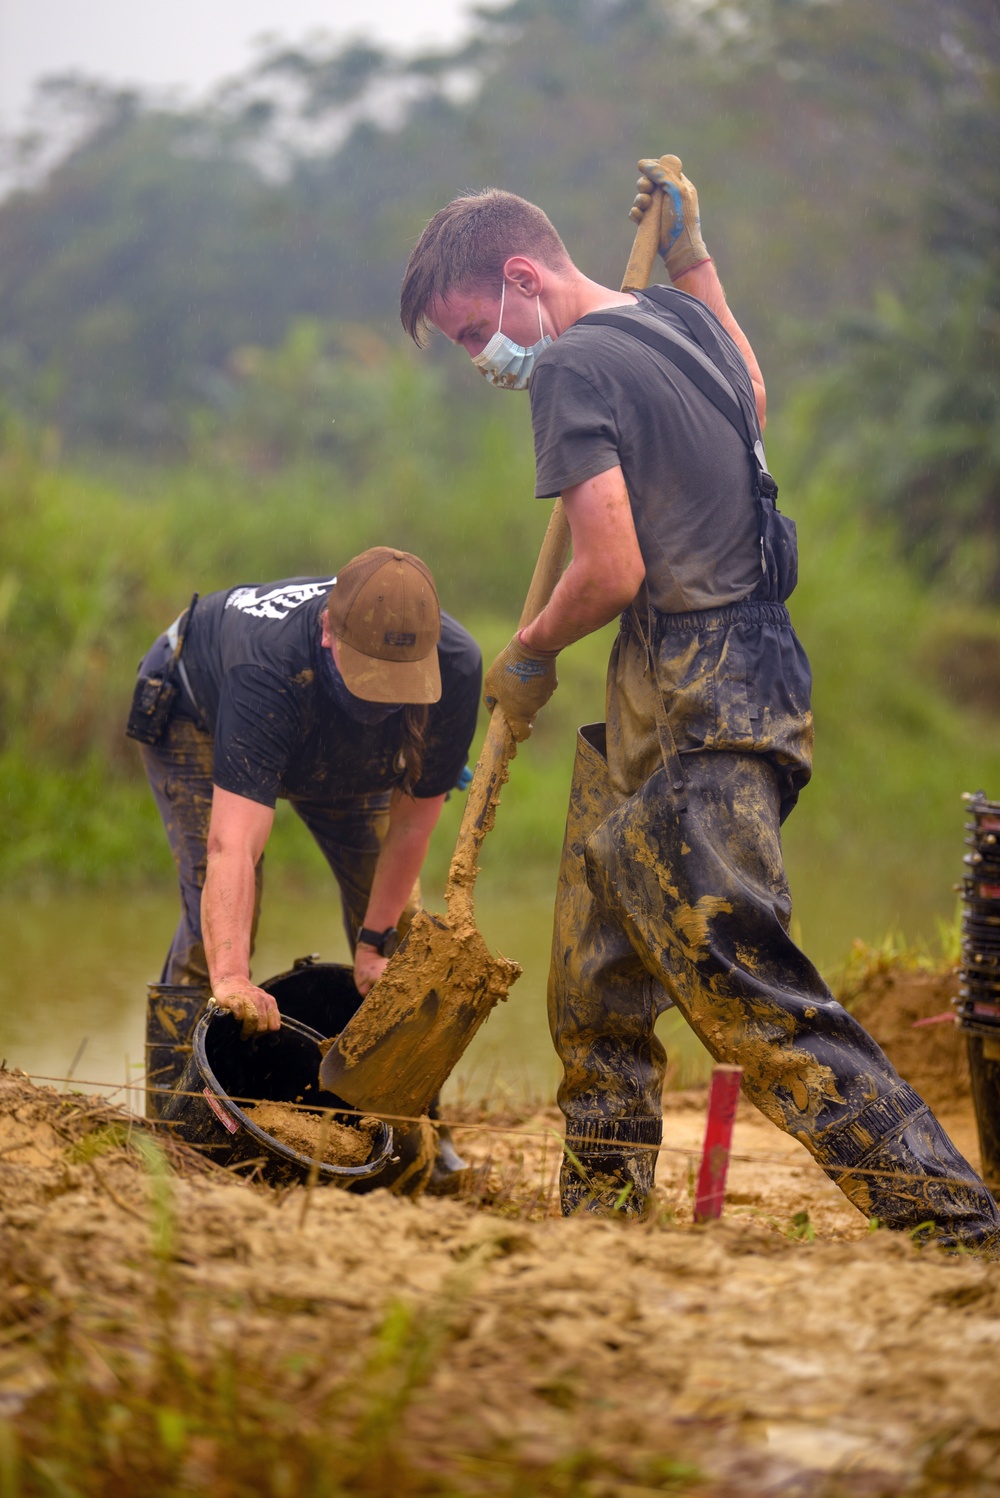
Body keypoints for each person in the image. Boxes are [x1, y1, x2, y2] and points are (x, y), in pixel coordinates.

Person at [398, 158, 1000, 1252]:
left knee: (744, 983)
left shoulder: (570, 369)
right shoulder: (676, 316)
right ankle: (604, 1223)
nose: (479, 355)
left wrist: (529, 650)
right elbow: (752, 396)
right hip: (687, 675)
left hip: (704, 685)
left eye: (470, 329)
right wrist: (692, 251)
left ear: (522, 277)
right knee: (595, 984)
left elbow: (612, 564)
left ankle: (957, 1223)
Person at [129, 547, 481, 1028]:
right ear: (327, 631)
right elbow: (231, 847)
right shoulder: (266, 668)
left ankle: (401, 1100)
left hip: (334, 737)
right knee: (211, 935)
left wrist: (372, 941)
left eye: (397, 683)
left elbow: (411, 827)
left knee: (401, 930)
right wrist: (231, 977)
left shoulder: (456, 667)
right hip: (199, 711)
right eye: (369, 676)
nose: (382, 696)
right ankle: (178, 1097)